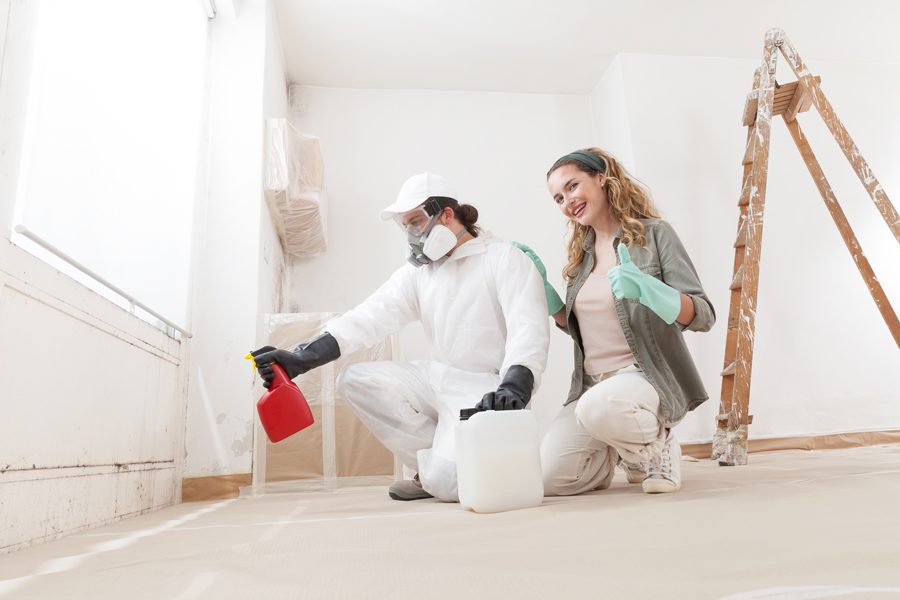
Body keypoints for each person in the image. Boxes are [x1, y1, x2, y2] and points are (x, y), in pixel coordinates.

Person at [251, 172, 550, 503]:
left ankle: (440, 469)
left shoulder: (504, 259)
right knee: (355, 379)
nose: (412, 234)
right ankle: (437, 461)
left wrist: (514, 386)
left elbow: (529, 329)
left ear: (447, 215)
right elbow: (369, 316)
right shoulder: (420, 274)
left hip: (484, 388)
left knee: (450, 485)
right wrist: (304, 356)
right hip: (437, 379)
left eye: (416, 221)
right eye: (405, 225)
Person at [516, 148, 714, 496]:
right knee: (549, 480)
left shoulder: (655, 235)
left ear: (601, 178)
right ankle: (627, 452)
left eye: (572, 186)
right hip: (591, 386)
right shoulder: (581, 256)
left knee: (600, 407)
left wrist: (654, 291)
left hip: (644, 375)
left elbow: (703, 315)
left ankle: (660, 443)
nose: (567, 201)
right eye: (558, 198)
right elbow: (580, 327)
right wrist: (544, 291)